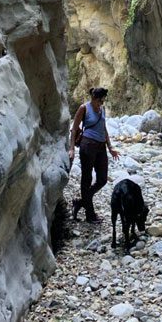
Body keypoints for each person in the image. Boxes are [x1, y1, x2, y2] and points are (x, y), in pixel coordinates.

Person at [69, 87, 120, 223]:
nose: (101, 104)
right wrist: (72, 149)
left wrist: (110, 147)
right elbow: (74, 129)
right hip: (87, 145)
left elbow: (103, 128)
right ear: (93, 98)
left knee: (102, 179)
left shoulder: (102, 109)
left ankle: (80, 202)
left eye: (103, 101)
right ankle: (90, 215)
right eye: (99, 101)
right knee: (86, 179)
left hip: (101, 147)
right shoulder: (83, 108)